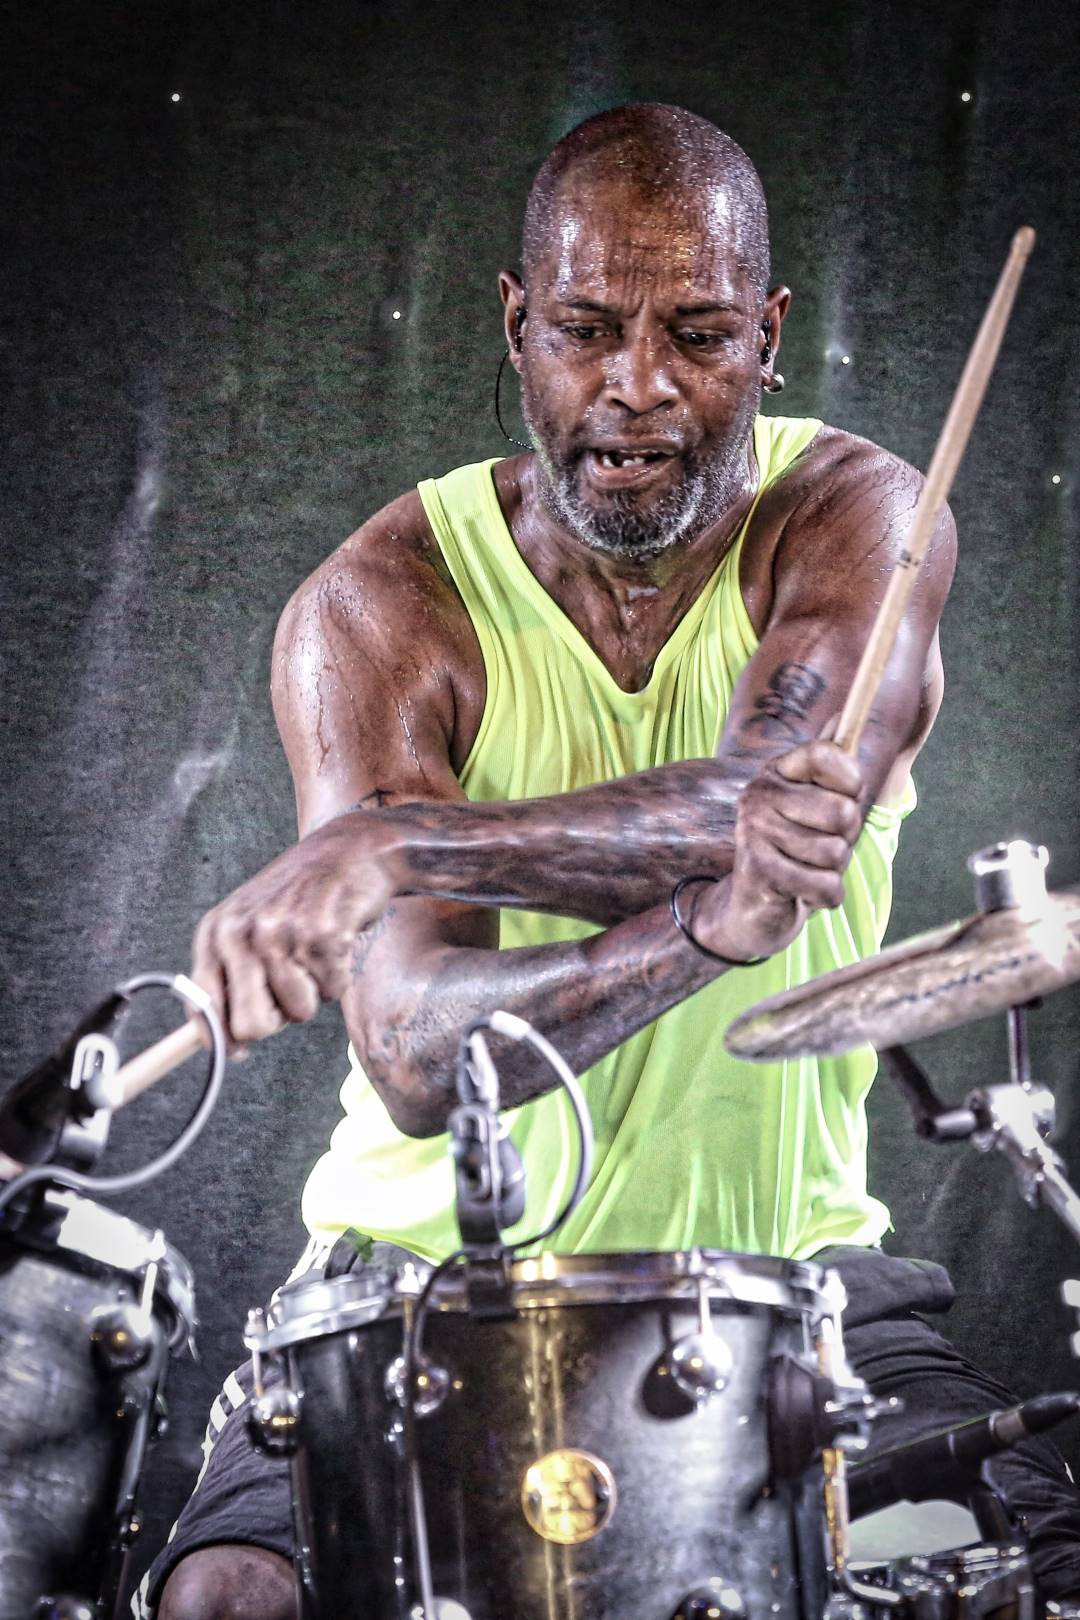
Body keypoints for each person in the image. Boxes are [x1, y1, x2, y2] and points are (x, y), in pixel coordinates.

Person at [144, 104, 1080, 1620]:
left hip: (800, 1283)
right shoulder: (383, 607)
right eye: (586, 329)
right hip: (414, 1289)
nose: (638, 385)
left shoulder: (857, 519)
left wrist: (399, 838)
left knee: (1034, 1570)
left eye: (696, 334)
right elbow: (418, 1060)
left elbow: (764, 800)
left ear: (769, 337)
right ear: (516, 328)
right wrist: (703, 933)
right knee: (230, 1599)